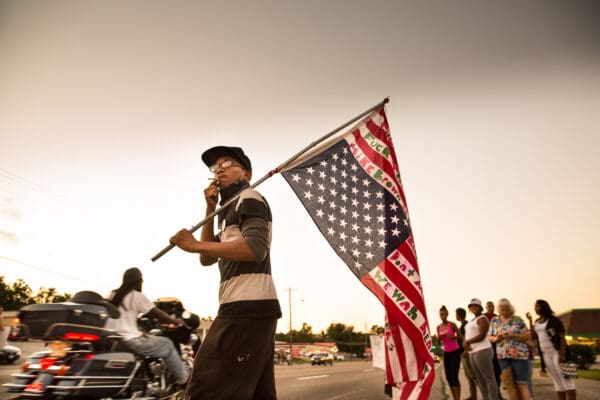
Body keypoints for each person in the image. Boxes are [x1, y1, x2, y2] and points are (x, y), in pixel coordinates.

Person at [170, 145, 282, 400]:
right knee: (257, 394)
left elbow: (255, 248)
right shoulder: (228, 210)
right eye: (215, 166)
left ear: (246, 173)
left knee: (205, 387)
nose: (219, 169)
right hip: (247, 307)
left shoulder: (249, 197)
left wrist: (193, 243)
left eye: (227, 163)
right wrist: (210, 210)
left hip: (246, 307)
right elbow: (208, 257)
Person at [105, 267, 189, 386]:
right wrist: (176, 322)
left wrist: (140, 331)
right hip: (130, 340)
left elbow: (123, 320)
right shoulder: (136, 296)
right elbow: (158, 314)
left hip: (112, 338)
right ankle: (184, 381)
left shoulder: (113, 294)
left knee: (149, 338)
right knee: (167, 344)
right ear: (139, 281)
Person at [526, 300, 576, 400]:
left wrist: (562, 354)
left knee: (567, 380)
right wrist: (530, 320)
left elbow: (562, 337)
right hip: (546, 354)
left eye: (537, 306)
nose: (535, 308)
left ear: (543, 307)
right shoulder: (537, 321)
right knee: (556, 380)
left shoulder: (554, 320)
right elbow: (532, 336)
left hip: (557, 353)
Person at [488, 298, 531, 400]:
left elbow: (528, 336)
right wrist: (496, 338)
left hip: (519, 354)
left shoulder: (518, 319)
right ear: (498, 310)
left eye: (506, 310)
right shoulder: (494, 320)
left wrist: (513, 335)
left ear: (511, 309)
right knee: (509, 384)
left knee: (521, 384)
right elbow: (489, 337)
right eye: (502, 310)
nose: (504, 312)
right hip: (502, 355)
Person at [463, 298, 498, 400]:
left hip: (483, 350)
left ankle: (494, 398)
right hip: (473, 352)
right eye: (471, 306)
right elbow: (468, 336)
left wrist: (468, 342)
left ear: (480, 307)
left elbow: (482, 335)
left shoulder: (483, 318)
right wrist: (466, 346)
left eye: (475, 306)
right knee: (480, 379)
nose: (473, 308)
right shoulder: (471, 321)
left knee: (489, 378)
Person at [438, 305, 462, 400]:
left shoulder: (452, 324)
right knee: (448, 377)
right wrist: (439, 339)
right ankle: (454, 397)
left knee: (454, 376)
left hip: (455, 352)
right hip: (446, 353)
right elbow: (439, 343)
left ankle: (457, 398)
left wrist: (453, 337)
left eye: (444, 314)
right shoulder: (438, 327)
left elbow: (460, 336)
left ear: (447, 314)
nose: (442, 316)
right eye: (441, 314)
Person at [457, 307, 478, 400]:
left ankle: (485, 394)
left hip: (467, 353)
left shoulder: (466, 325)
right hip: (463, 353)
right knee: (469, 376)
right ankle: (473, 396)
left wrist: (466, 350)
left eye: (456, 314)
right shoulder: (462, 325)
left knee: (473, 375)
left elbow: (468, 339)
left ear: (458, 315)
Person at [485, 300, 503, 399]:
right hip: (486, 347)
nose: (490, 307)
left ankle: (497, 392)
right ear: (486, 307)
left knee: (497, 371)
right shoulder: (483, 317)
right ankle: (491, 393)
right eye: (488, 306)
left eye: (492, 305)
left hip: (497, 347)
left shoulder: (497, 317)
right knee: (489, 371)